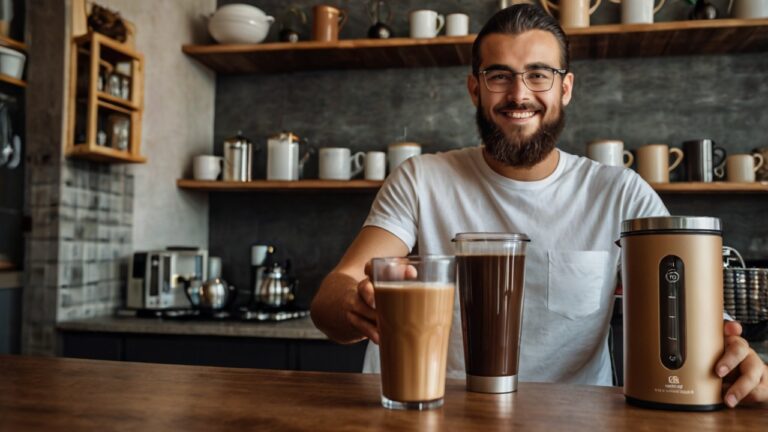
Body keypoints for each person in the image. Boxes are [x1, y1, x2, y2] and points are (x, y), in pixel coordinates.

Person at [310, 4, 767, 408]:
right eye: (499, 76)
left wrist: (737, 360)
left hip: (570, 419)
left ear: (565, 88)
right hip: (429, 411)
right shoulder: (422, 178)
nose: (519, 94)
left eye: (538, 74)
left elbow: (695, 320)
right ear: (475, 89)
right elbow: (334, 293)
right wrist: (354, 304)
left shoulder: (620, 192)